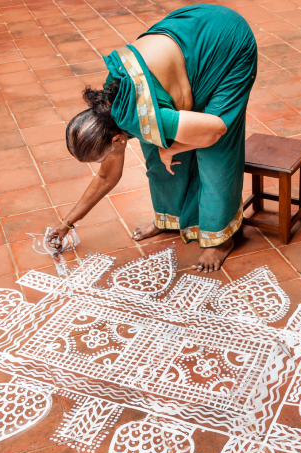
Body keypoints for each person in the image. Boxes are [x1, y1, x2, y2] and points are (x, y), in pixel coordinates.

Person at [53, 4, 257, 273]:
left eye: (102, 157)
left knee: (213, 154)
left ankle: (220, 239)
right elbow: (106, 177)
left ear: (117, 141)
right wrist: (67, 223)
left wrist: (174, 148)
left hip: (226, 43)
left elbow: (216, 130)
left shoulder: (145, 115)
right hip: (188, 42)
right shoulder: (112, 108)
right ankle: (168, 219)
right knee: (156, 146)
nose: (103, 163)